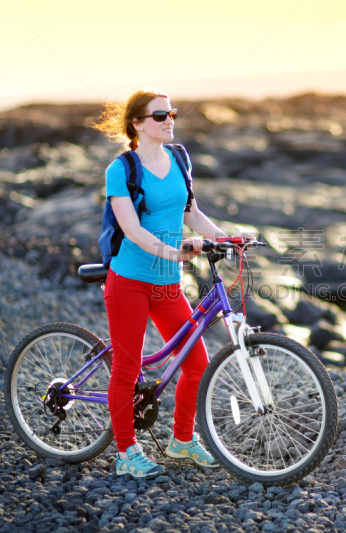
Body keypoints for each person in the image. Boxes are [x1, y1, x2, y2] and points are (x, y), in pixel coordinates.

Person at [93, 89, 228, 478]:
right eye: (159, 116)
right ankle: (125, 454)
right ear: (137, 124)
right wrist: (173, 252)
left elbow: (192, 213)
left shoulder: (179, 158)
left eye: (172, 113)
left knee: (197, 365)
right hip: (130, 282)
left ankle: (182, 441)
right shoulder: (121, 169)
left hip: (168, 285)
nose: (169, 119)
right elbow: (131, 228)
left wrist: (228, 239)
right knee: (127, 369)